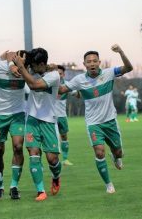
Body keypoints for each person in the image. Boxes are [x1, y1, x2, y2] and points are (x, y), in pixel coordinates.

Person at [59, 44, 133, 194]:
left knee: (119, 153)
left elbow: (129, 68)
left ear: (99, 62)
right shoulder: (79, 80)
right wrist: (50, 79)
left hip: (110, 121)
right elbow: (61, 90)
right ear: (84, 64)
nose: (92, 63)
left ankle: (115, 155)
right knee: (99, 153)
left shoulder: (109, 73)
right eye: (89, 61)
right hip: (93, 124)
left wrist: (121, 52)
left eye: (94, 61)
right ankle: (109, 184)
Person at [12, 48, 62, 201]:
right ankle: (41, 191)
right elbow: (16, 59)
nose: (31, 68)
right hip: (32, 119)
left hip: (49, 120)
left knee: (52, 159)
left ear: (41, 64)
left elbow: (34, 85)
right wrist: (16, 64)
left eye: (34, 65)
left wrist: (21, 67)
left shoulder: (54, 75)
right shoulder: (30, 70)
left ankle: (56, 176)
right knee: (34, 154)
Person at [0, 50, 27, 200]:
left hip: (18, 114)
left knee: (18, 147)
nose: (21, 61)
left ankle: (14, 186)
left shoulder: (26, 69)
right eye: (17, 58)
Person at [55, 65, 74, 166]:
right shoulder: (49, 83)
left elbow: (76, 93)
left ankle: (65, 159)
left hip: (62, 115)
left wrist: (79, 91)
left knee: (64, 137)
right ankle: (55, 160)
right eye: (56, 74)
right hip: (50, 117)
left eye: (60, 74)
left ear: (63, 74)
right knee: (53, 138)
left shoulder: (67, 84)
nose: (58, 76)